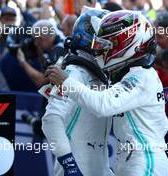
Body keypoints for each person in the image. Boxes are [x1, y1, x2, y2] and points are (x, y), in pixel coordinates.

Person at [46, 10, 168, 176]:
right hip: (125, 163)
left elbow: (103, 104)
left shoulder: (139, 75)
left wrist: (65, 81)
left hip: (144, 162)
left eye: (108, 44)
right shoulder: (127, 74)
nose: (101, 50)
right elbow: (50, 119)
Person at [41, 8, 113, 176]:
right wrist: (70, 167)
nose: (111, 45)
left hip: (101, 169)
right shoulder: (74, 73)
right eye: (106, 40)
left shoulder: (100, 73)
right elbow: (51, 119)